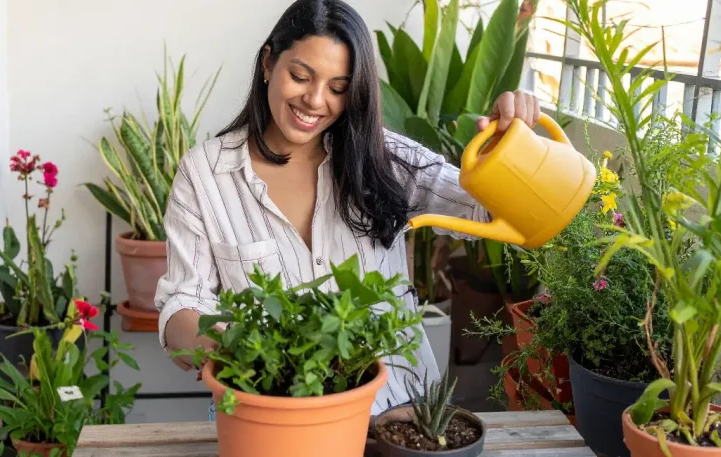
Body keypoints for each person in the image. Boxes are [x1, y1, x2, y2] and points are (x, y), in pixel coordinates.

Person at [154, 0, 543, 421]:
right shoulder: (206, 173)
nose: (315, 100)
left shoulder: (383, 157)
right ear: (268, 62)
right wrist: (227, 344)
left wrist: (512, 146)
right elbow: (182, 302)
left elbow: (493, 211)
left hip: (402, 412)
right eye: (300, 76)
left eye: (338, 88)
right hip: (269, 413)